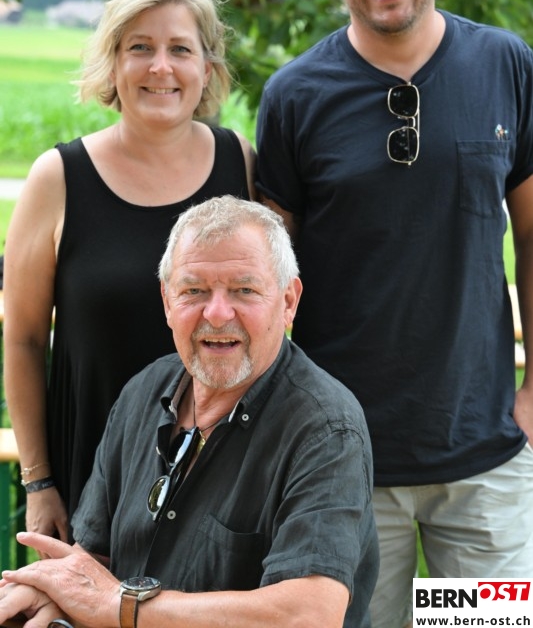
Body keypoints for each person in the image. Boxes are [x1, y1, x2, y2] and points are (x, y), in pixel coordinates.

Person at [255, 0, 533, 628]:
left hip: (484, 461)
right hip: (342, 464)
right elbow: (268, 281)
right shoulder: (293, 96)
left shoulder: (505, 65)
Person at [0, 196, 378, 628]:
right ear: (167, 301)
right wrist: (47, 591)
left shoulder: (326, 430)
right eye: (193, 291)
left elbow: (310, 615)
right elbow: (94, 563)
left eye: (244, 290)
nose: (216, 314)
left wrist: (122, 606)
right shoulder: (143, 392)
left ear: (288, 301)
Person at [3, 0, 255, 543]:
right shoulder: (57, 179)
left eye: (180, 49)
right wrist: (39, 482)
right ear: (112, 64)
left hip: (224, 478)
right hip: (92, 472)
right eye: (140, 47)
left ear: (207, 67)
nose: (160, 67)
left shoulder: (239, 163)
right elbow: (23, 341)